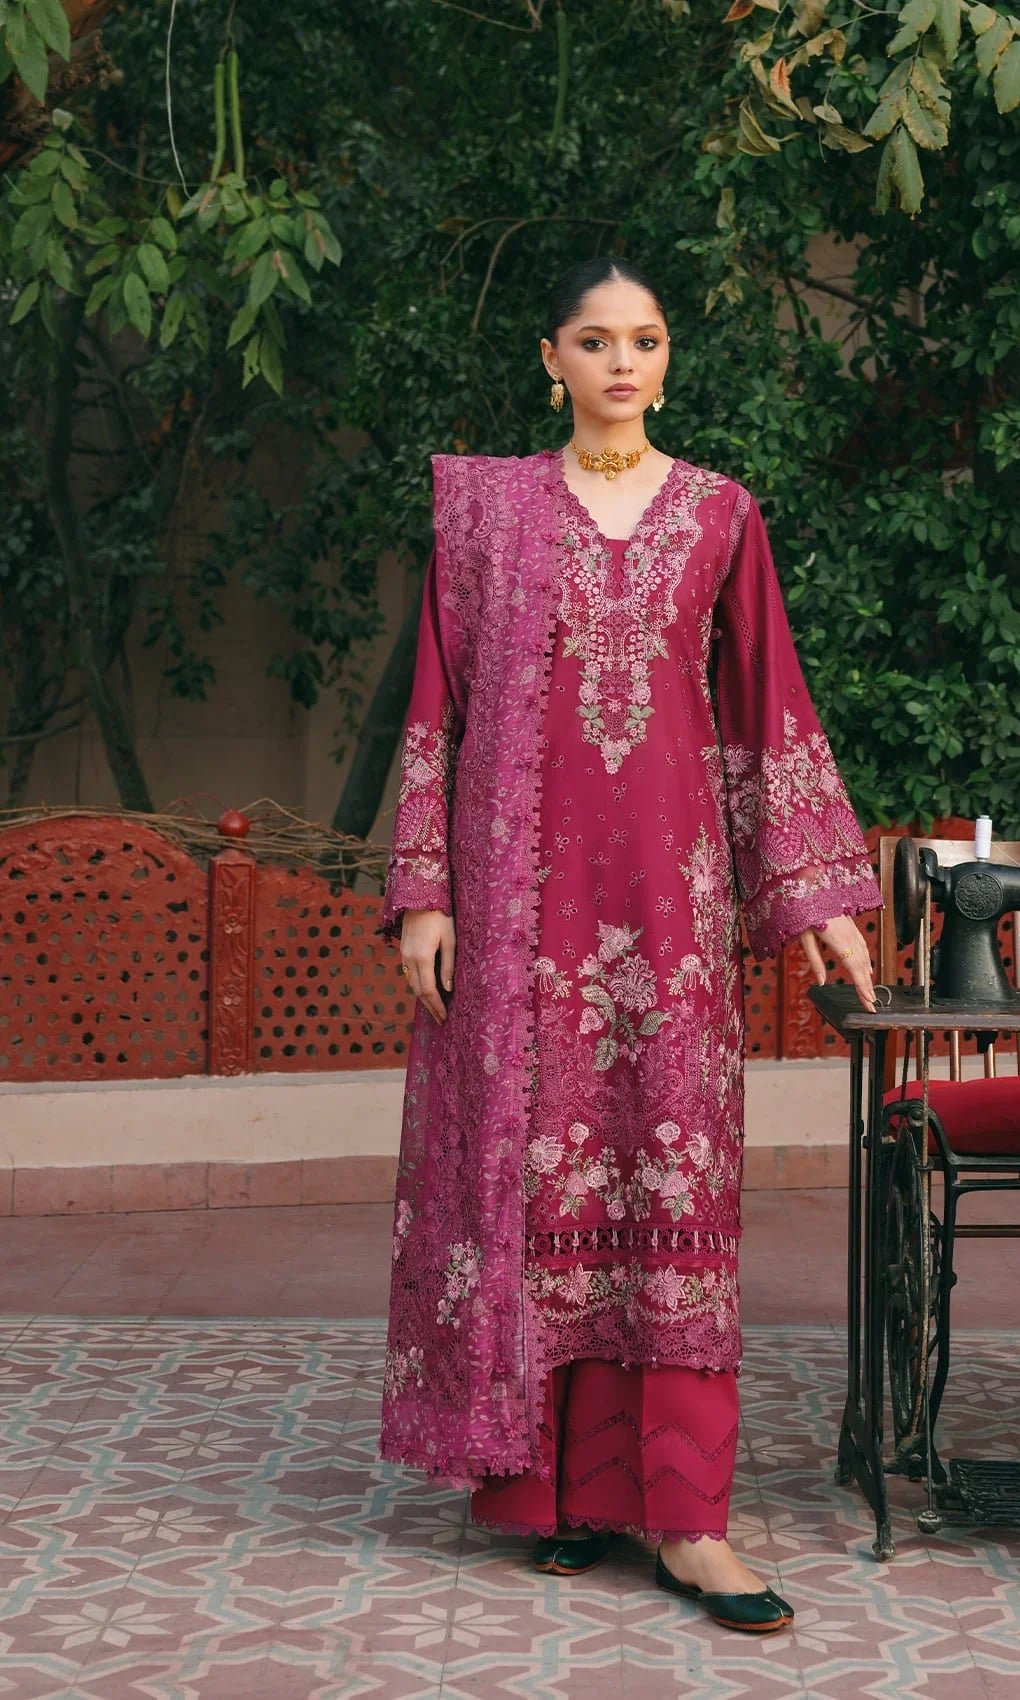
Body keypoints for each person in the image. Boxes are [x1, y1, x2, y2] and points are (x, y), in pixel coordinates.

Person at [379, 256, 882, 1634]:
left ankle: (689, 1523)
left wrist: (821, 897)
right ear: (551, 358)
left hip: (670, 904)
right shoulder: (486, 513)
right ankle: (557, 1493)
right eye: (595, 340)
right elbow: (438, 700)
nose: (622, 362)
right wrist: (425, 889)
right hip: (517, 907)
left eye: (645, 339)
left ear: (667, 359)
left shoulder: (720, 512)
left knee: (667, 1180)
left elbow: (767, 705)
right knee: (542, 1179)